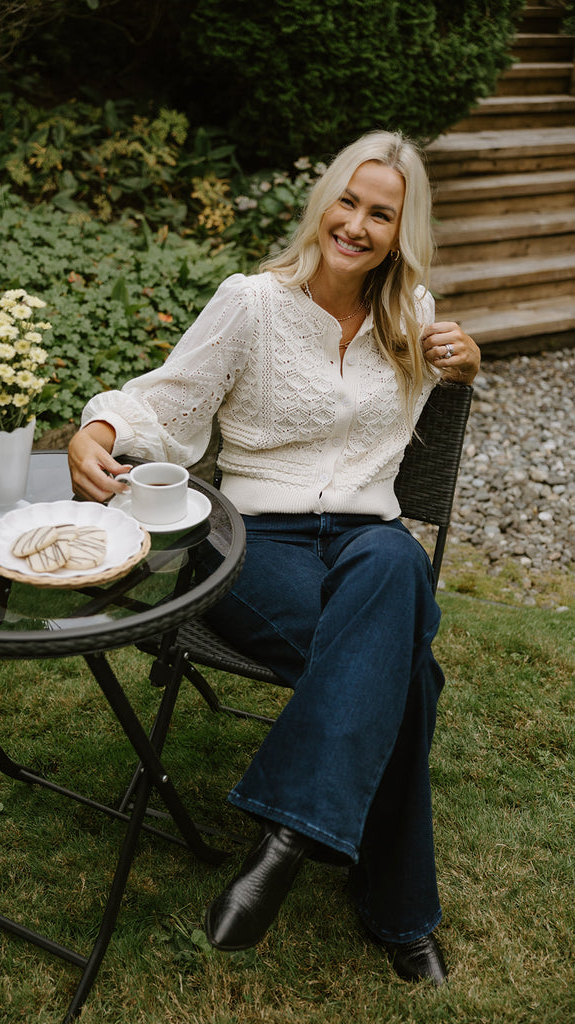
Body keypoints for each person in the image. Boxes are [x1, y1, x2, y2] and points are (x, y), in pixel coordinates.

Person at [68, 130, 480, 984]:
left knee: (395, 563)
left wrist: (467, 366)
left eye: (381, 215)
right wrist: (99, 428)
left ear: (401, 234)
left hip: (368, 546)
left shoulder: (412, 316)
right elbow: (168, 400)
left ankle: (288, 834)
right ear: (322, 203)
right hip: (255, 542)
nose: (357, 226)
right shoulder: (250, 301)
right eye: (348, 202)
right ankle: (400, 919)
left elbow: (449, 371)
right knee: (407, 675)